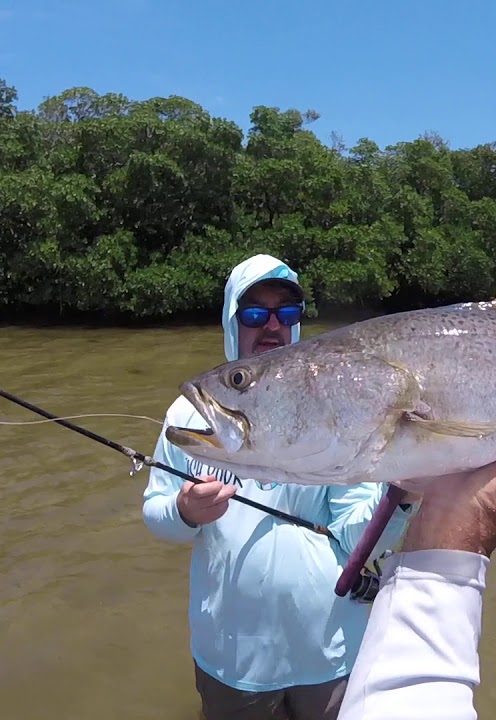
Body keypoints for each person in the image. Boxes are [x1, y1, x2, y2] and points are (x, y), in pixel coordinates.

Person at [142, 253, 415, 720]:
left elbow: (357, 539)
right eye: (254, 314)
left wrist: (403, 495)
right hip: (231, 661)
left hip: (329, 653)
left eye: (285, 314)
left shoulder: (339, 406)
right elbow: (157, 517)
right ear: (232, 321)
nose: (271, 326)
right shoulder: (190, 417)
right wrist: (186, 510)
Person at [337, 391, 496, 720]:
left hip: (332, 658)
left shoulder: (339, 456)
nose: (270, 334)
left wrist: (425, 510)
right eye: (239, 380)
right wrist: (455, 528)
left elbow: (352, 536)